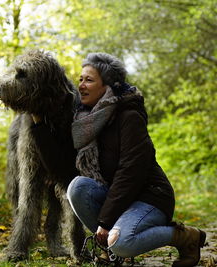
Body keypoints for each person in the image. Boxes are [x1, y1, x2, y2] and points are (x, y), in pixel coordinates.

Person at [63, 52, 206, 267]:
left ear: (108, 86)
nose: (81, 85)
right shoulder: (87, 121)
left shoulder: (129, 116)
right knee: (78, 187)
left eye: (89, 80)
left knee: (121, 242)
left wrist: (105, 222)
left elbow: (131, 172)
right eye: (80, 79)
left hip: (150, 197)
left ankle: (186, 237)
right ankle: (110, 250)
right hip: (120, 197)